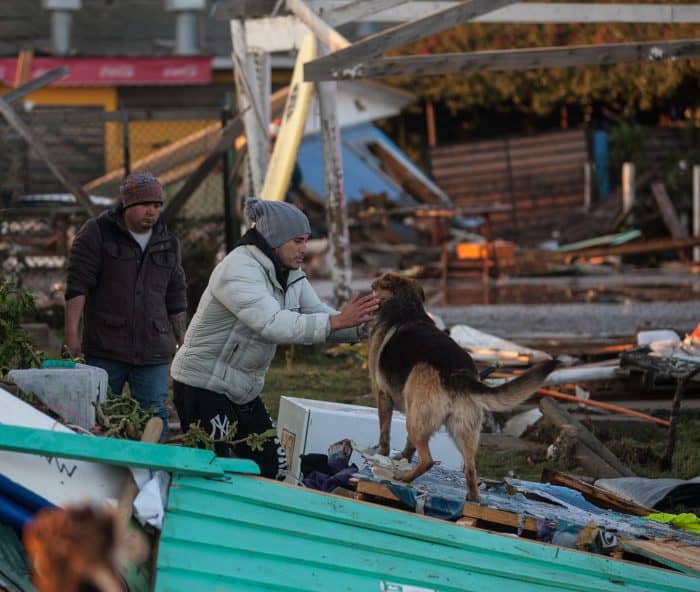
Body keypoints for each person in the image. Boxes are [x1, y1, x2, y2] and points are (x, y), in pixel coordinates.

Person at [171, 197, 379, 479]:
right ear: (274, 240)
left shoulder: (290, 274)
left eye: (306, 240)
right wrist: (336, 321)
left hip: (241, 387)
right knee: (211, 470)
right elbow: (272, 324)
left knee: (271, 467)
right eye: (297, 241)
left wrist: (366, 326)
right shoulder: (239, 269)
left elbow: (318, 313)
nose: (305, 249)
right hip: (202, 385)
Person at [64, 171, 187, 436]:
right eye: (145, 205)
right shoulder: (97, 234)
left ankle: (154, 472)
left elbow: (175, 295)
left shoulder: (168, 242)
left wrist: (182, 339)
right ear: (127, 205)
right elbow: (77, 285)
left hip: (153, 350)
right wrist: (71, 334)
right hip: (106, 346)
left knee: (153, 415)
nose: (152, 212)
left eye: (156, 206)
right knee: (99, 413)